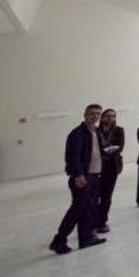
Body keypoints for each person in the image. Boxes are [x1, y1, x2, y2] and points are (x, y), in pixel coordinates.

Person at [49, 104, 107, 254]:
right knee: (76, 210)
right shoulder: (78, 133)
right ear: (85, 115)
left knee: (89, 210)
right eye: (92, 113)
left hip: (95, 176)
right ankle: (59, 240)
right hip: (83, 177)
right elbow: (72, 156)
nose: (95, 116)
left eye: (98, 114)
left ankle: (86, 238)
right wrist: (78, 174)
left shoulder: (96, 132)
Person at [96, 109, 124, 233]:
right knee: (95, 195)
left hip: (112, 167)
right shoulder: (96, 131)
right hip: (96, 167)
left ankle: (102, 221)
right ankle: (92, 220)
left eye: (113, 116)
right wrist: (104, 152)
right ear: (102, 118)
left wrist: (105, 153)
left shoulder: (119, 130)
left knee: (107, 196)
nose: (110, 118)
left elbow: (120, 147)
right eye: (107, 116)